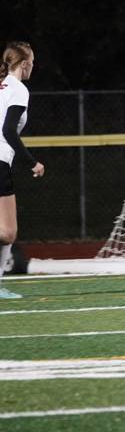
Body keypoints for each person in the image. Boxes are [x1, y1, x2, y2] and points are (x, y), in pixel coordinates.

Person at [0, 42, 44, 299]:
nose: (33, 67)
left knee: (9, 234)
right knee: (7, 232)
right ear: (24, 64)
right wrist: (32, 162)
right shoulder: (18, 89)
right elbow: (7, 131)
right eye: (32, 62)